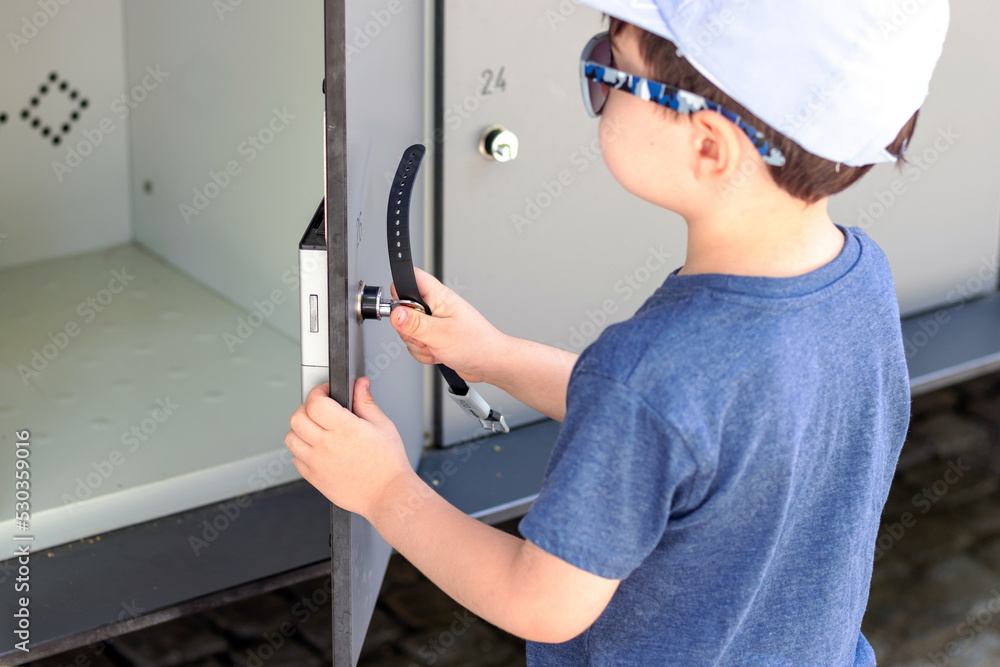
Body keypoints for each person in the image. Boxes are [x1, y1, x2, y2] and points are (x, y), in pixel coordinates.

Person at [285, 1, 950, 664]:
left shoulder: (647, 373)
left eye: (610, 67)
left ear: (709, 146)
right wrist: (498, 357)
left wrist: (383, 490)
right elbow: (686, 433)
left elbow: (538, 598)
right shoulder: (862, 281)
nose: (596, 83)